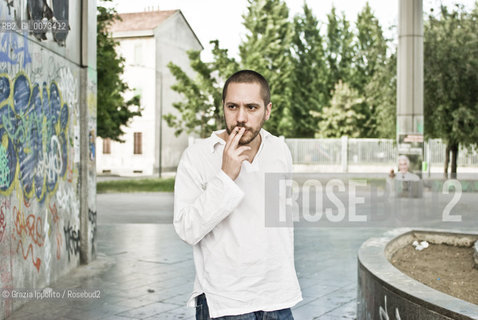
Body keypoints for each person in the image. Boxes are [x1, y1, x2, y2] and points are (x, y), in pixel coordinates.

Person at [173, 70, 302, 320]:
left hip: (277, 297)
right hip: (225, 302)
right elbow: (187, 230)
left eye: (251, 107)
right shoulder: (197, 156)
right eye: (232, 106)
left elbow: (278, 224)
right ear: (223, 107)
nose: (240, 117)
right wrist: (225, 176)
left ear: (267, 110)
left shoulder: (279, 150)